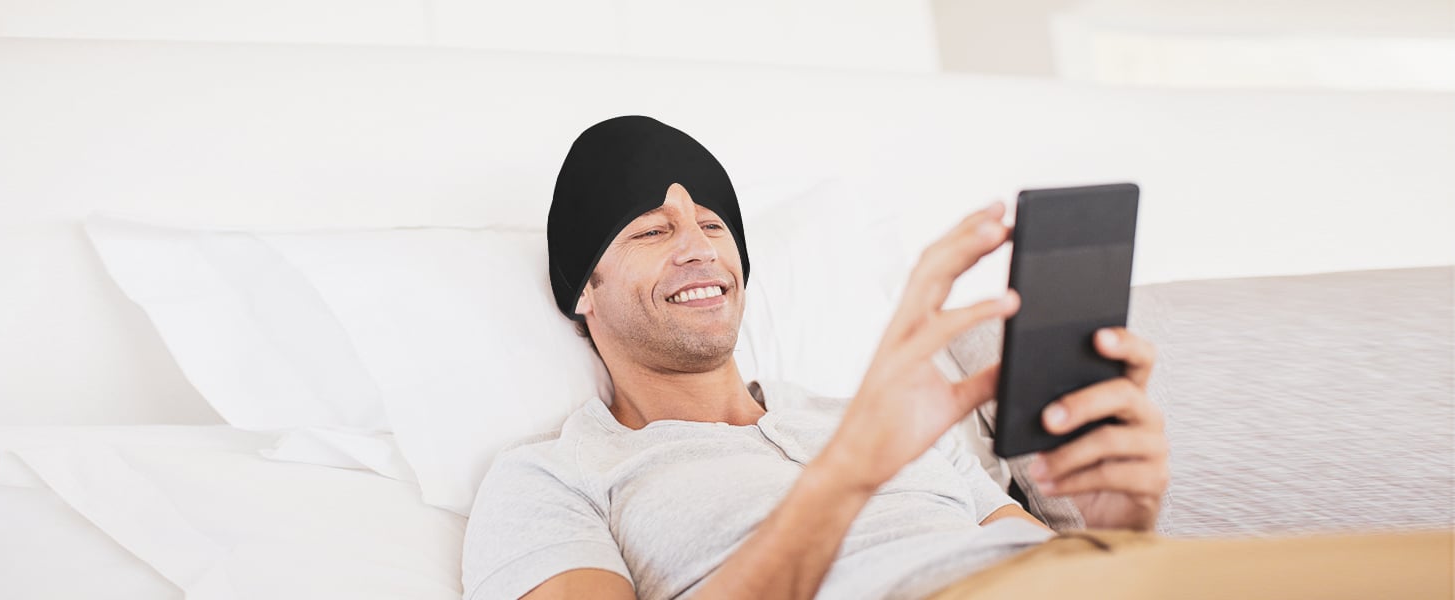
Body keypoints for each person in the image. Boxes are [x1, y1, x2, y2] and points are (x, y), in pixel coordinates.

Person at [463, 116, 1452, 600]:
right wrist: (845, 478)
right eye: (650, 228)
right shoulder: (551, 478)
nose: (697, 245)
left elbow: (1036, 556)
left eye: (714, 224)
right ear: (581, 288)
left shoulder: (875, 412)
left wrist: (1122, 529)